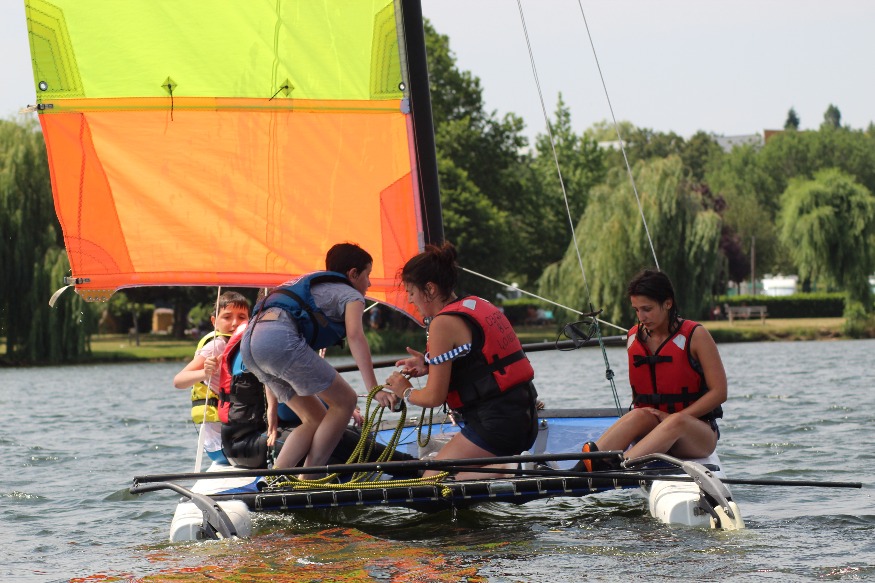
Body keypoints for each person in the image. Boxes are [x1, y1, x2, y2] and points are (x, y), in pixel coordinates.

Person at [383, 242, 539, 480]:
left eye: (411, 292)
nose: (410, 300)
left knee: (431, 482)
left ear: (430, 289)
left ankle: (508, 470)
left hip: (496, 426)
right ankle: (505, 468)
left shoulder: (442, 324)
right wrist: (428, 364)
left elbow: (433, 398)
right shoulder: (475, 304)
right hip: (523, 420)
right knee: (443, 477)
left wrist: (404, 391)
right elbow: (475, 360)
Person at [239, 242, 397, 472]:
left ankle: (276, 477)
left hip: (249, 345)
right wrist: (374, 388)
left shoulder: (316, 287)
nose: (370, 283)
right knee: (346, 401)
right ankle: (309, 479)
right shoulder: (351, 294)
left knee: (315, 418)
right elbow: (355, 336)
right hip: (278, 340)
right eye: (368, 275)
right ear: (353, 274)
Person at [576, 269, 727, 471]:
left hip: (695, 434)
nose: (642, 316)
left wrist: (669, 418)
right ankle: (584, 466)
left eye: (647, 309)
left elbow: (719, 392)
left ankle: (620, 466)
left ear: (668, 303)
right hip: (652, 431)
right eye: (636, 310)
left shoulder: (696, 335)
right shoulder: (634, 337)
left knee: (676, 421)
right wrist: (658, 417)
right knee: (638, 414)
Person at [218, 321, 417, 473]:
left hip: (250, 439)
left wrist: (337, 409)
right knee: (338, 437)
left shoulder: (260, 338)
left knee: (343, 431)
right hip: (247, 443)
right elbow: (286, 411)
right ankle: (412, 467)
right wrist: (337, 408)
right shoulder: (270, 346)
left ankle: (402, 466)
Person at [173, 291, 251, 464]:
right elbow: (179, 381)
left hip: (239, 432)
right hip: (220, 444)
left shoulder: (248, 344)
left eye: (241, 317)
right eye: (227, 317)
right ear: (214, 321)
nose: (235, 323)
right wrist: (205, 373)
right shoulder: (216, 346)